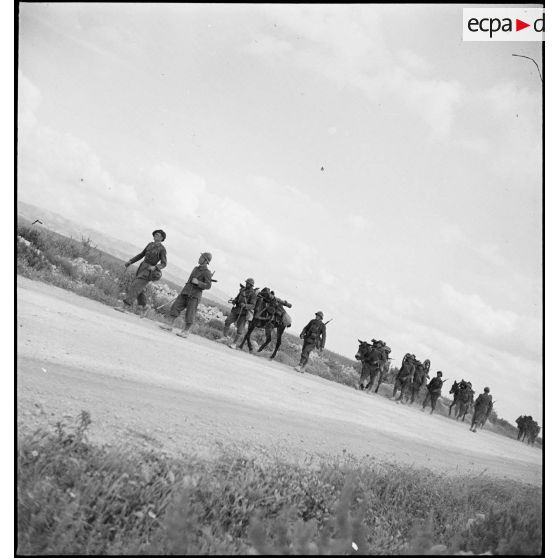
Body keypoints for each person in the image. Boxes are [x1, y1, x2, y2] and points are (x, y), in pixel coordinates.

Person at [159, 252, 213, 338]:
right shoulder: (195, 268)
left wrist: (198, 282)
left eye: (201, 257)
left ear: (206, 260)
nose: (199, 258)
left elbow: (208, 285)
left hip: (194, 296)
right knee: (175, 307)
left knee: (190, 313)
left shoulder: (207, 272)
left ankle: (186, 331)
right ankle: (169, 325)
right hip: (185, 292)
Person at [115, 229, 167, 317]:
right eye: (155, 234)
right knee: (139, 287)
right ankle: (145, 306)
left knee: (135, 286)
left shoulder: (162, 249)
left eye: (158, 235)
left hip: (149, 270)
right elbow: (141, 255)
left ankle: (125, 306)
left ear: (162, 238)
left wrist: (155, 267)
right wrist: (130, 261)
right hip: (142, 267)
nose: (155, 236)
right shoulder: (150, 245)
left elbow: (164, 263)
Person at [223, 278, 258, 348]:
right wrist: (234, 301)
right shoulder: (242, 290)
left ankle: (234, 344)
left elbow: (253, 306)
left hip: (243, 313)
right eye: (246, 283)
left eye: (248, 283)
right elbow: (237, 298)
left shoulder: (253, 294)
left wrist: (245, 305)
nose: (246, 284)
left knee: (240, 330)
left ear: (251, 285)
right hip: (236, 310)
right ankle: (224, 337)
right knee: (227, 321)